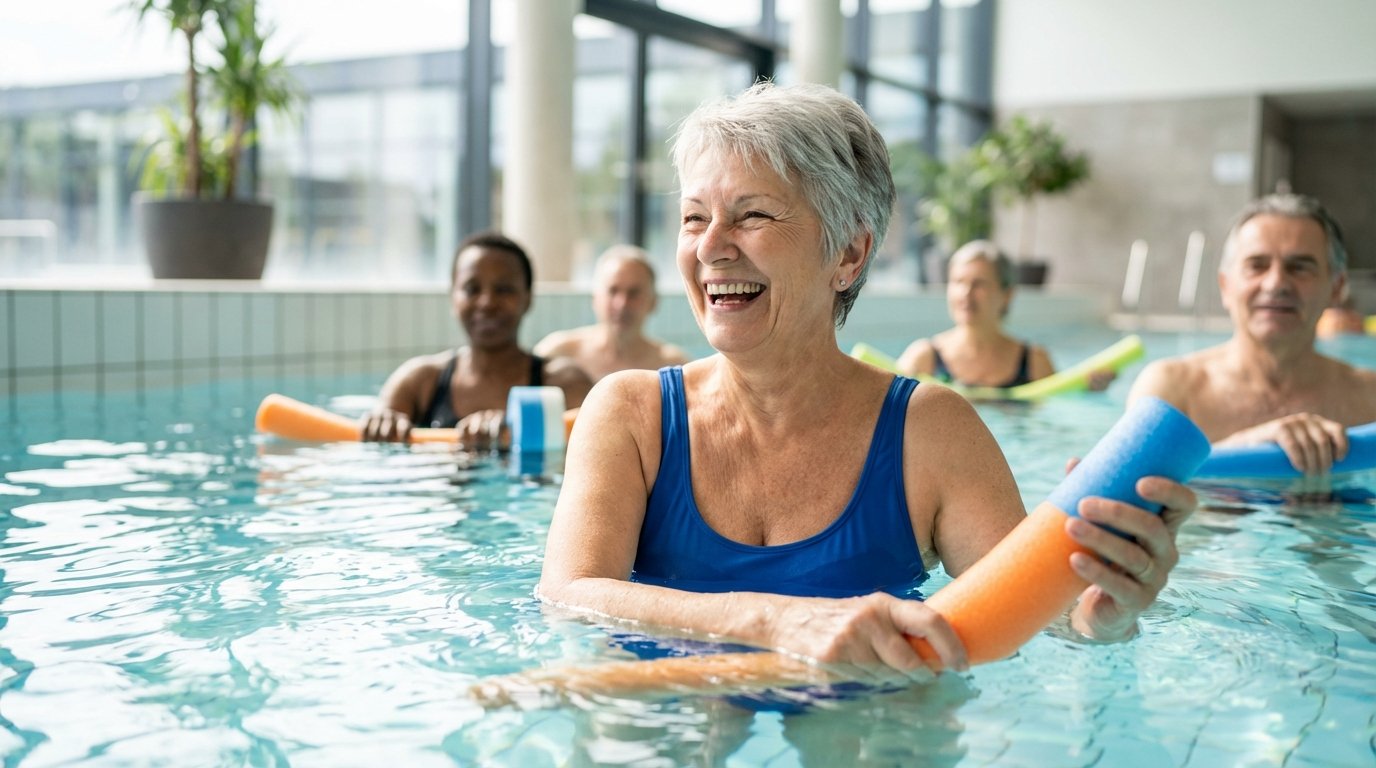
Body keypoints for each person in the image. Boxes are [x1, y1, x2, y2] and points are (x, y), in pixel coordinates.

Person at [538, 82, 1196, 678]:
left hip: (863, 714)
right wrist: (777, 621)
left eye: (752, 215)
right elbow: (569, 595)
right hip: (661, 704)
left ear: (848, 254)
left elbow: (1038, 614)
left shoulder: (930, 433)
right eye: (692, 217)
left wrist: (1102, 616)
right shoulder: (630, 411)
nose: (711, 246)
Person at [1128, 193, 1376, 475]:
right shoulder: (1173, 391)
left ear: (1336, 287)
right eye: (1257, 265)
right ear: (1226, 286)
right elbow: (1124, 488)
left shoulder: (1370, 399)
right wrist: (1245, 446)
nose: (1276, 283)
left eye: (1299, 267)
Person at [361, 231, 592, 447]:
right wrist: (381, 423)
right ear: (454, 297)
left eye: (503, 290)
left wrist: (516, 429)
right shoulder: (418, 382)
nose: (487, 302)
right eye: (472, 289)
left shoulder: (563, 383)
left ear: (528, 298)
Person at [896, 240, 1112, 391]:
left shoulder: (1034, 362)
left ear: (1007, 295)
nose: (966, 294)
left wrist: (1088, 390)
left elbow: (1058, 410)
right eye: (958, 282)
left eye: (979, 284)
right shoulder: (923, 359)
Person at [533, 244, 690, 381]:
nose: (622, 304)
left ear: (654, 301)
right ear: (595, 298)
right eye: (613, 291)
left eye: (634, 293)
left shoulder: (674, 367)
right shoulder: (558, 353)